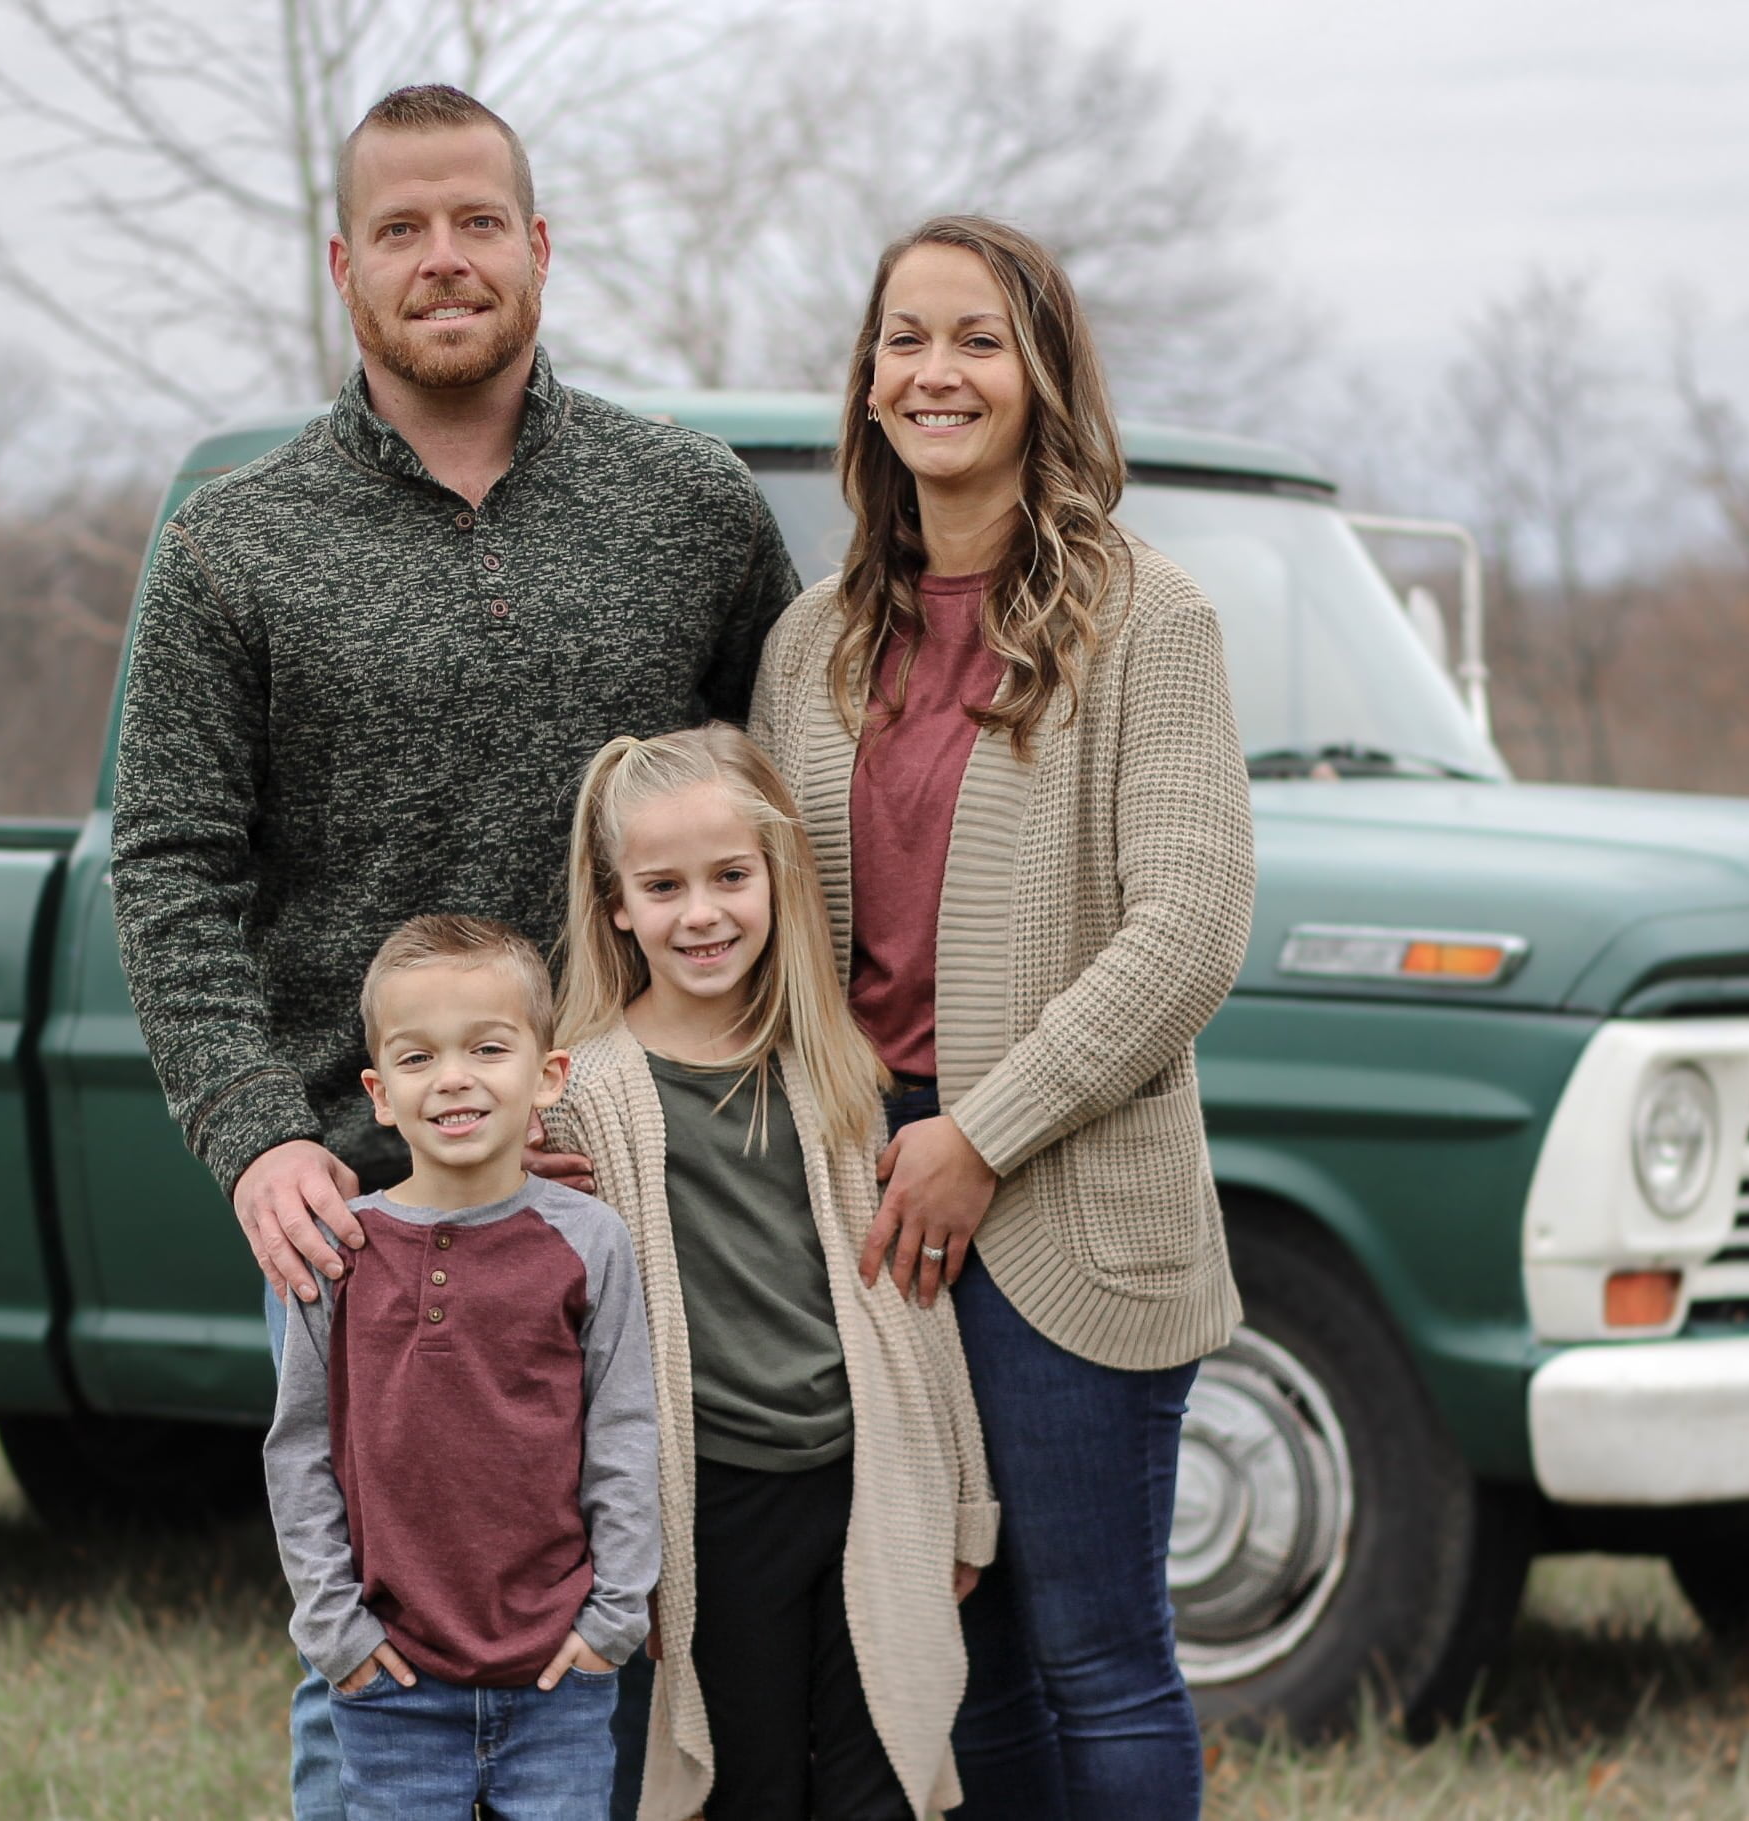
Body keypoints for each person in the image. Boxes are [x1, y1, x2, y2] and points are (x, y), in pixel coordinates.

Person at [106, 82, 797, 1815]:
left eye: (477, 221)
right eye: (402, 229)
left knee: (654, 1637)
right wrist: (256, 1131)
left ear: (539, 246)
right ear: (344, 265)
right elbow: (173, 861)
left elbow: (785, 826)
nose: (444, 259)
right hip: (371, 1214)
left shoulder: (691, 505)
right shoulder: (236, 546)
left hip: (650, 1191)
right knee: (389, 1677)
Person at [748, 216, 1256, 1819]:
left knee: (1092, 1652)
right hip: (872, 1210)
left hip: (1063, 1199)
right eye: (904, 338)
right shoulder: (809, 644)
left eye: (975, 338)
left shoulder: (1144, 619)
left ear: (1040, 373)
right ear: (867, 382)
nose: (935, 371)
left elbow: (1189, 926)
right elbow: (775, 945)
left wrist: (982, 1131)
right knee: (947, 1653)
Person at [546, 725, 998, 1821]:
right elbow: (573, 1359)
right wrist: (614, 1551)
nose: (701, 914)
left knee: (881, 1779)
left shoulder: (828, 1066)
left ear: (777, 879)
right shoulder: (586, 1098)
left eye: (730, 877)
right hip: (714, 1506)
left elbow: (909, 1300)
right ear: (615, 903)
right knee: (750, 1790)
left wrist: (966, 1505)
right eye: (663, 886)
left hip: (864, 1481)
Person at [264, 914, 658, 1821]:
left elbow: (624, 1432)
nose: (453, 1078)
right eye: (417, 1058)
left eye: (487, 1047)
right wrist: (338, 1634)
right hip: (394, 1683)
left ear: (547, 1074)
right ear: (379, 1093)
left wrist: (612, 1622)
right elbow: (301, 1455)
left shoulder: (588, 1242)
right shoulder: (338, 1254)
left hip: (559, 1677)